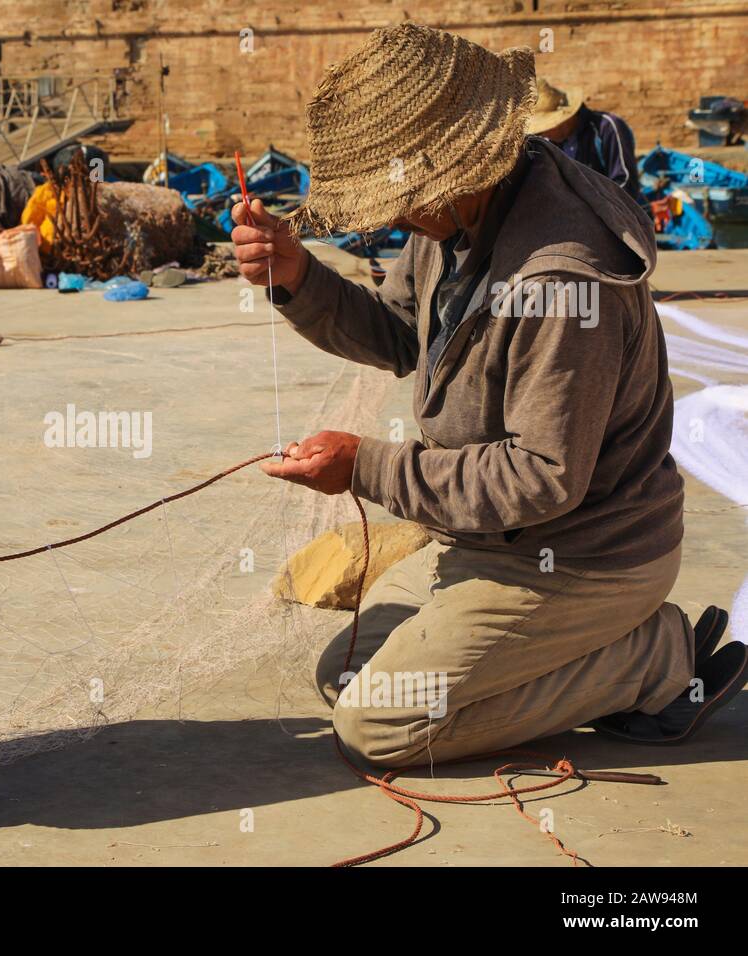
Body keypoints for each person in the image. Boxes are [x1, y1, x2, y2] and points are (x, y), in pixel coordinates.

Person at [230, 23, 743, 766]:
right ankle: (597, 655)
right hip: (485, 538)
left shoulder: (562, 280)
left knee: (377, 725)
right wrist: (299, 277)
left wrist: (370, 469)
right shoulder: (459, 210)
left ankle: (651, 659)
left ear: (457, 167)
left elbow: (542, 475)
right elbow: (402, 334)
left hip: (582, 558)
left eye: (402, 203)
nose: (397, 220)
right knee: (343, 675)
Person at [527, 79, 645, 206]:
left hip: (616, 217)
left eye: (546, 128)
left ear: (563, 120)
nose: (543, 134)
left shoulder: (607, 128)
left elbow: (625, 184)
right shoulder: (547, 144)